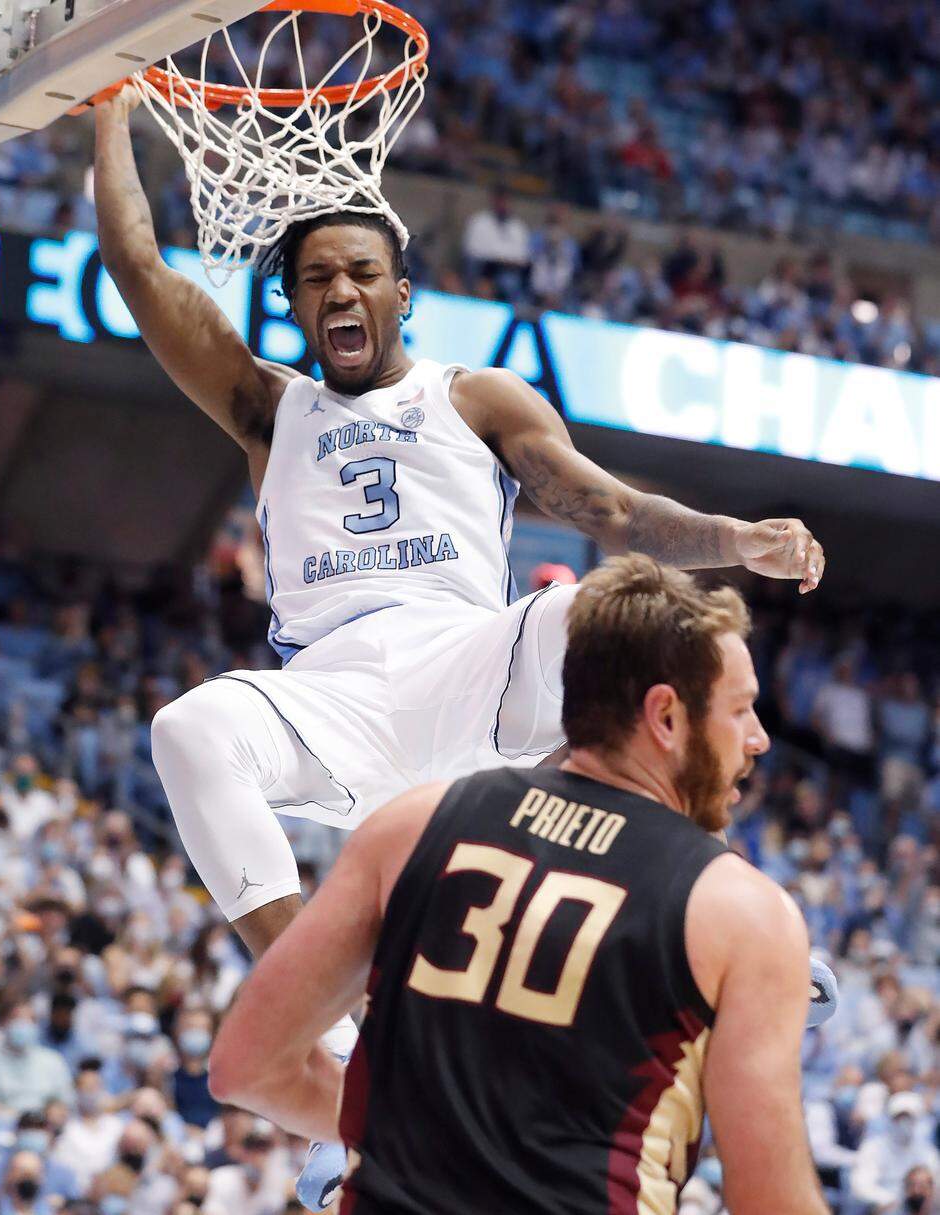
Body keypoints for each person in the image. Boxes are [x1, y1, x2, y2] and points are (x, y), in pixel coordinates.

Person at [95, 87, 826, 1207]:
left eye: (360, 272)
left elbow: (610, 512)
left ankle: (709, 905)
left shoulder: (473, 395)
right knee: (188, 729)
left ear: (401, 289)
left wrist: (740, 542)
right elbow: (141, 270)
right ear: (291, 301)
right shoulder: (266, 409)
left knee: (609, 609)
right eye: (316, 279)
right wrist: (105, 109)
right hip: (329, 697)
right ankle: (344, 1019)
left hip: (470, 669)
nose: (339, 290)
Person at [210, 557, 829, 1214]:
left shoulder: (414, 823)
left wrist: (401, 1134)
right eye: (739, 710)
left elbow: (246, 1065)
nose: (759, 738)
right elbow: (773, 1199)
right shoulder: (741, 912)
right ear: (666, 717)